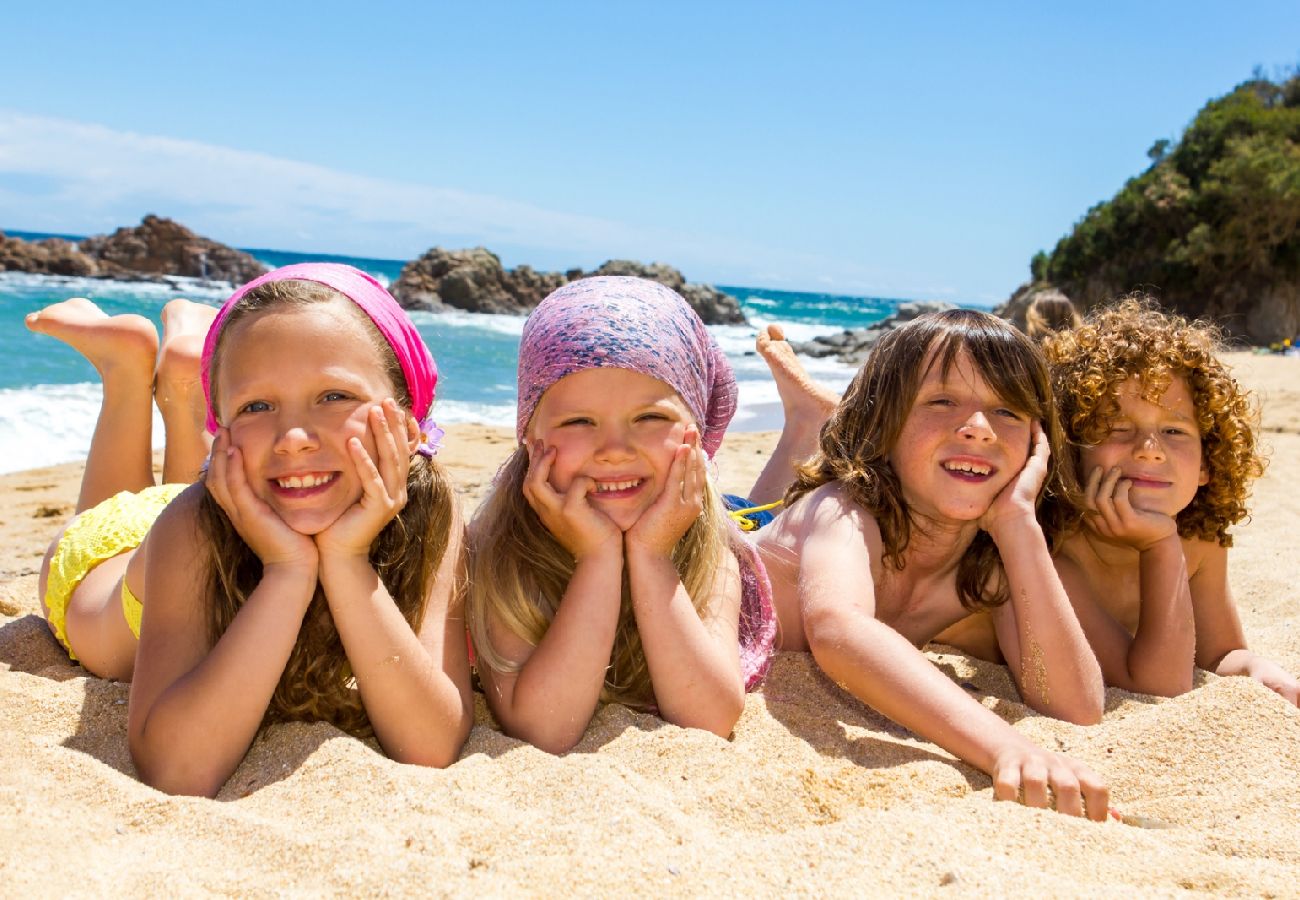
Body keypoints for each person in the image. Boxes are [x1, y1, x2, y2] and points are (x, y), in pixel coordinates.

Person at [28, 264, 473, 796]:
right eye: (256, 406)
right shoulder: (191, 526)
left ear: (407, 418)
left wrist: (347, 560)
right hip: (113, 566)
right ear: (224, 431)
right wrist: (288, 571)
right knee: (148, 505)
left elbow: (431, 744)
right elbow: (178, 771)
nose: (293, 437)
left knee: (236, 482)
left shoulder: (430, 511)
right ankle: (125, 371)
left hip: (242, 497)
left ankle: (177, 376)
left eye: (333, 396)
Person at [752, 308, 1111, 820]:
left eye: (1009, 411)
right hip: (736, 536)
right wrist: (1005, 746)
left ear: (1038, 443)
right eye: (942, 401)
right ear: (883, 424)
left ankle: (810, 421)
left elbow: (1076, 707)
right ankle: (810, 424)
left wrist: (1017, 525)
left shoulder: (988, 561)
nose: (979, 429)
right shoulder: (843, 508)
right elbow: (839, 631)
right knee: (746, 514)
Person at [466, 277, 777, 753]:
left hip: (717, 510)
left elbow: (709, 717)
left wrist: (652, 555)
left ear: (695, 430)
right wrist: (598, 558)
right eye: (578, 421)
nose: (614, 450)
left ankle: (802, 431)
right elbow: (544, 729)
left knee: (777, 523)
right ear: (529, 438)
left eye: (650, 418)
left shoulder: (712, 549)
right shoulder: (501, 545)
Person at [1039, 299, 1289, 702]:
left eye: (1175, 431)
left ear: (1208, 463)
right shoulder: (1057, 550)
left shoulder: (1201, 543)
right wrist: (1159, 545)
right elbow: (1157, 686)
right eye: (1118, 427)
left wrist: (1254, 668)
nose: (1150, 450)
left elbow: (1219, 653)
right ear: (1072, 447)